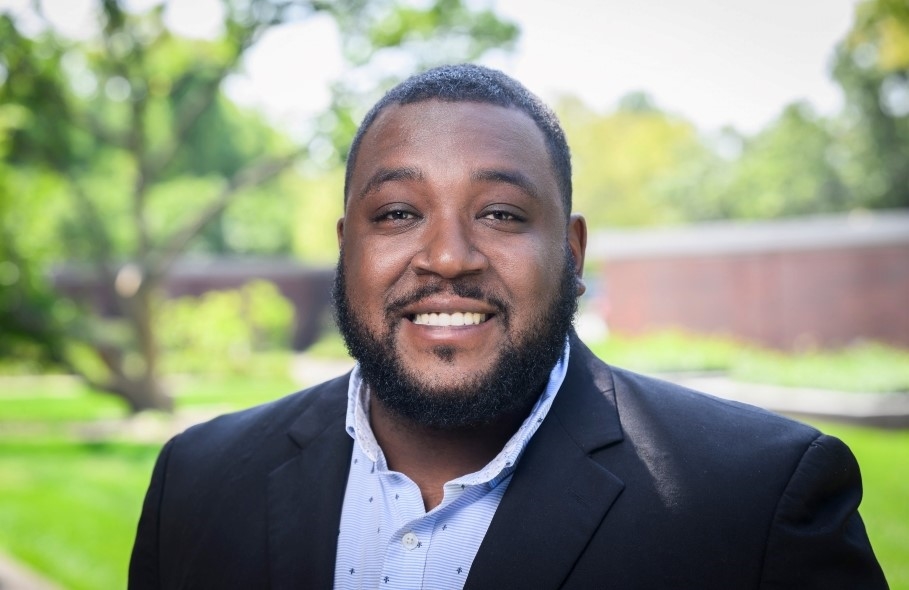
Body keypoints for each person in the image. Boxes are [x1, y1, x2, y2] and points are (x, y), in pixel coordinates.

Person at [129, 64, 887, 589]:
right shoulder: (195, 484)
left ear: (572, 251)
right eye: (397, 213)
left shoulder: (757, 501)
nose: (448, 257)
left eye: (499, 213)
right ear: (345, 249)